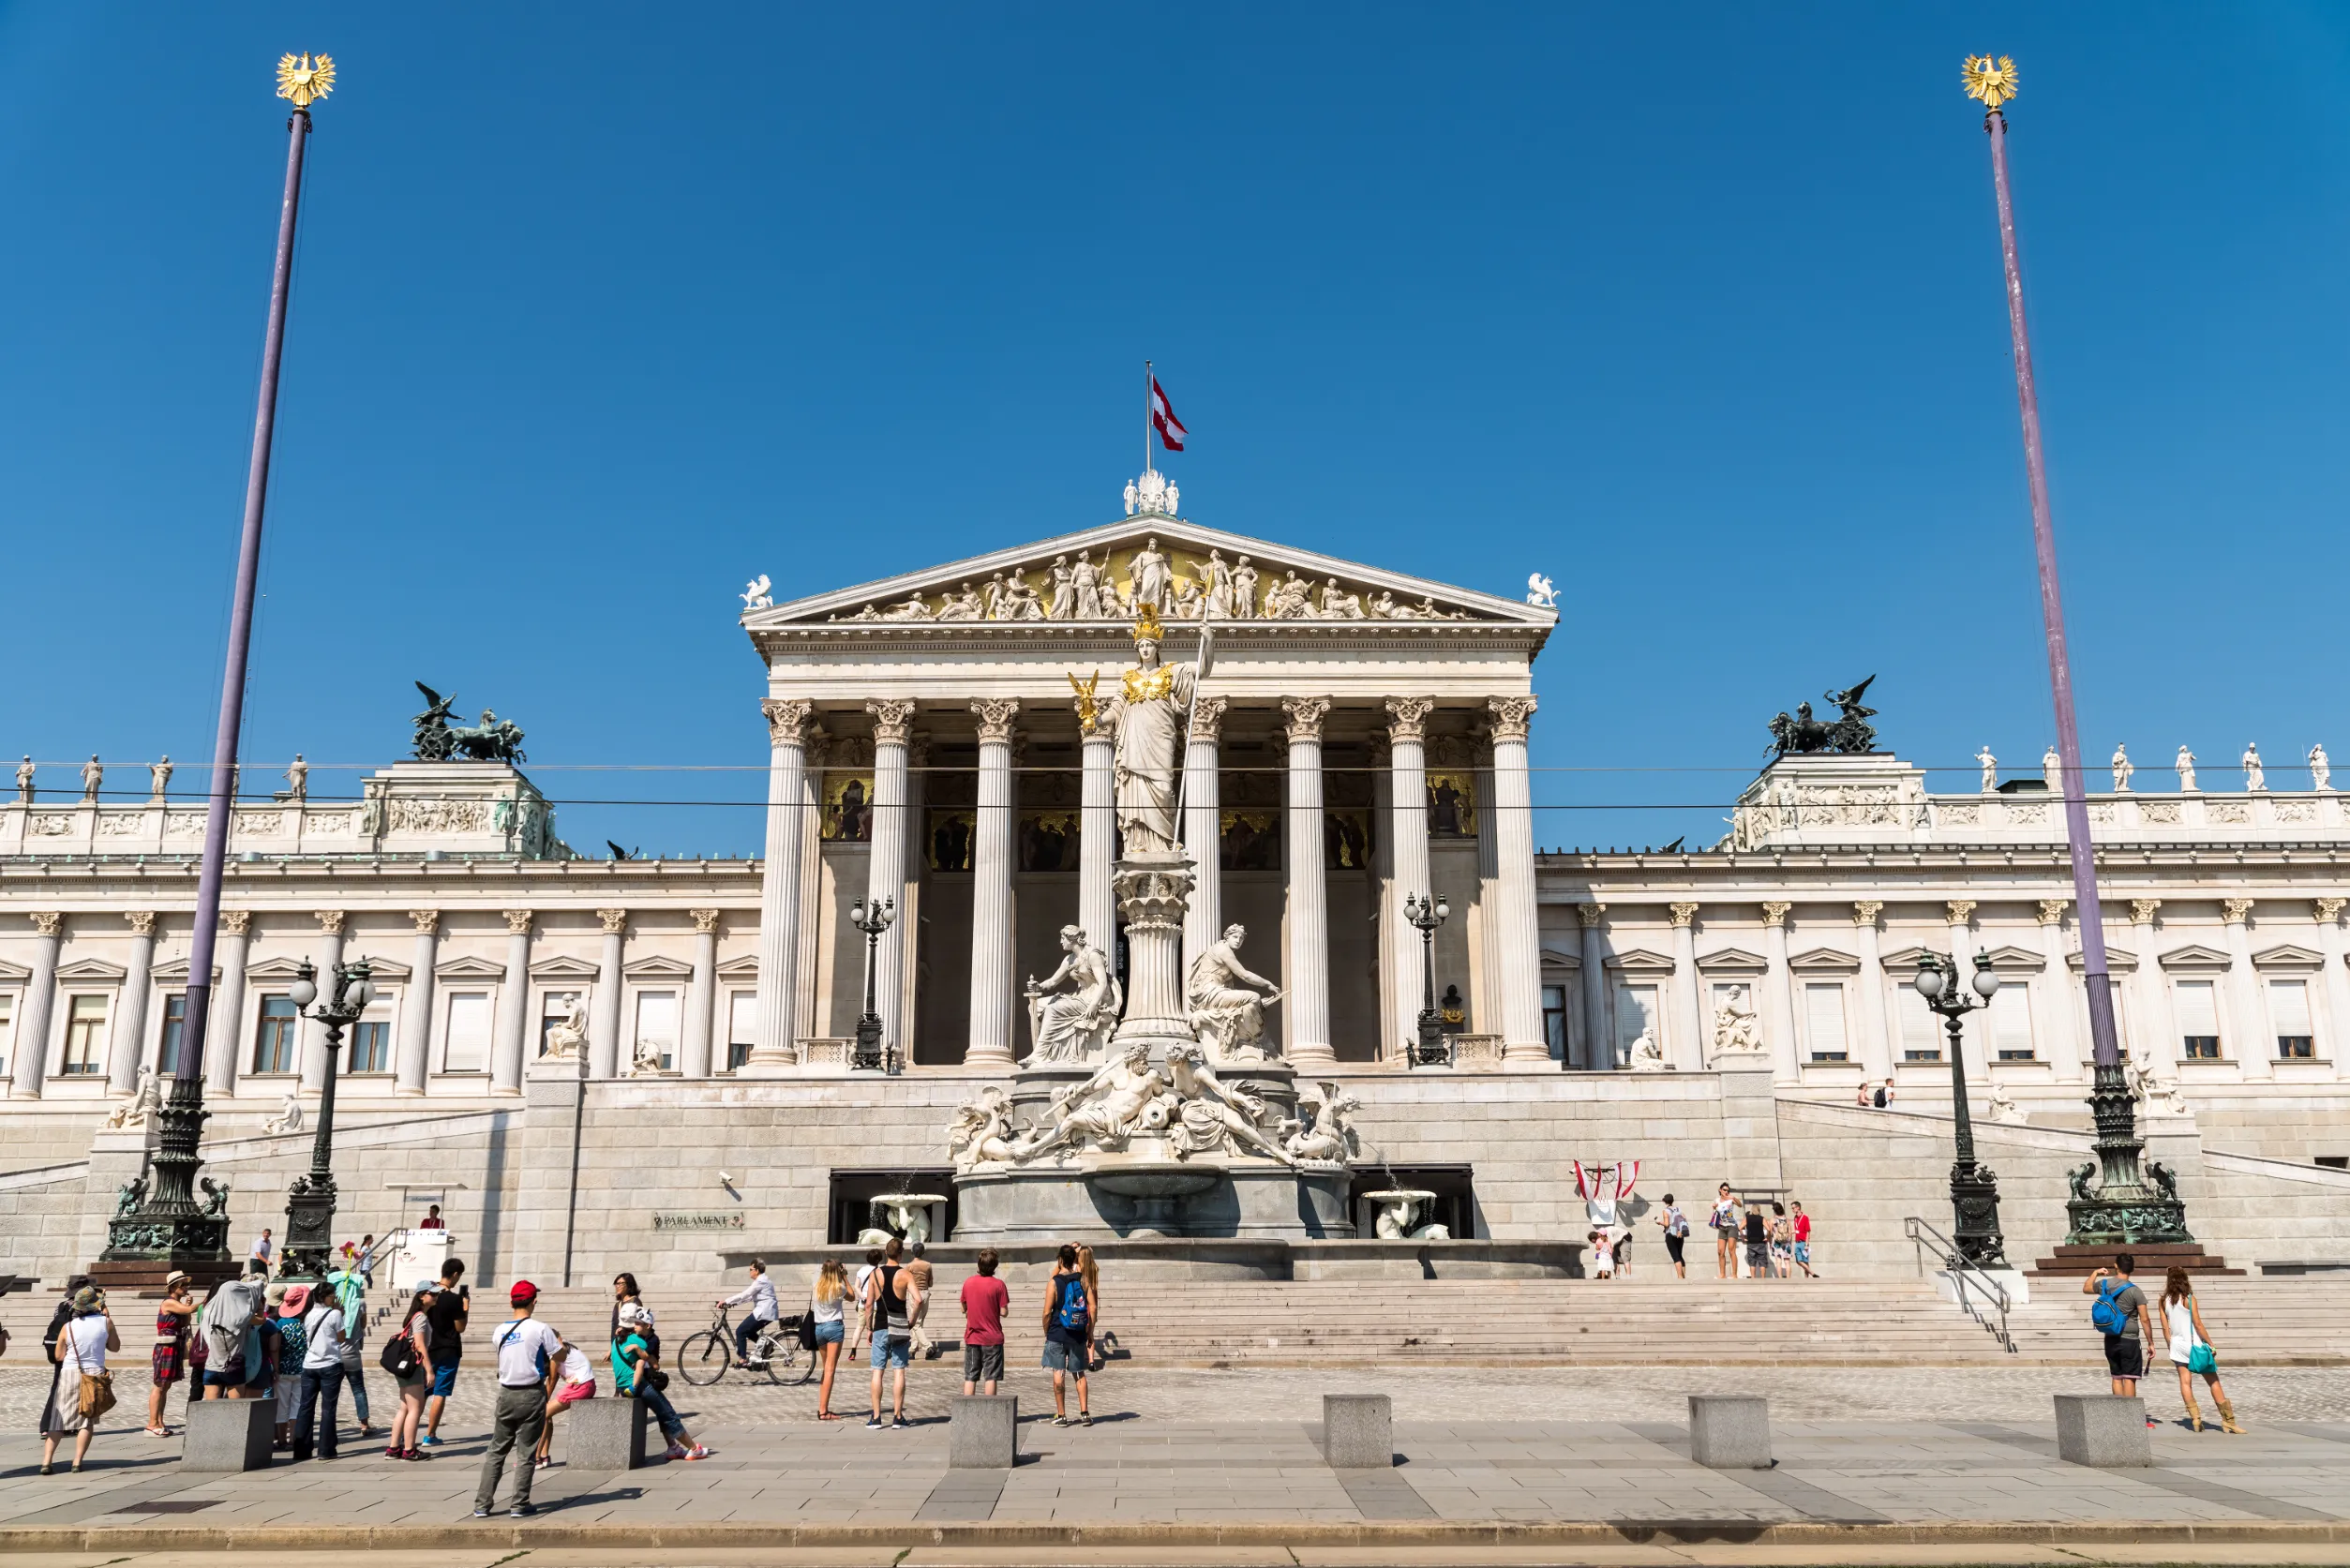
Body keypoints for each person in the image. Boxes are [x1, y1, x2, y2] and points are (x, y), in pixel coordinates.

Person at [471, 1281, 563, 1518]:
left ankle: (482, 1504)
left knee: (496, 1451)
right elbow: (559, 1354)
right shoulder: (541, 1328)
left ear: (511, 1301)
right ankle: (519, 1504)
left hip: (506, 1394)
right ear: (534, 1301)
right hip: (531, 1393)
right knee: (526, 1452)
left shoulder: (499, 1330)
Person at [612, 1301, 709, 1461]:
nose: (637, 1325)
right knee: (668, 1414)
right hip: (641, 1386)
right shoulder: (639, 1342)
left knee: (661, 1412)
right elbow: (654, 1364)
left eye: (639, 1323)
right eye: (635, 1322)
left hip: (623, 1386)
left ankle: (673, 1447)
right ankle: (693, 1449)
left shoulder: (616, 1341)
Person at [39, 1285, 118, 1475]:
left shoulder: (68, 1327)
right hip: (93, 1374)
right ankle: (76, 1462)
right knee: (86, 1421)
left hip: (69, 1372)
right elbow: (115, 1347)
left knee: (58, 1421)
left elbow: (59, 1356)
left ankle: (47, 1461)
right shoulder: (105, 1322)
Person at [2160, 1265, 2242, 1434]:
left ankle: (2196, 1419)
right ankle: (2229, 1421)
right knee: (2213, 1380)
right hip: (2194, 1346)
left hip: (2177, 1345)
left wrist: (2171, 1344)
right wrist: (2210, 1343)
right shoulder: (2189, 1299)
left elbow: (2165, 1328)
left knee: (2185, 1381)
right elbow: (2197, 1324)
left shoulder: (2163, 1301)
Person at [2083, 1253, 2162, 1414]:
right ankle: (2131, 1416)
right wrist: (2151, 1343)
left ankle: (2119, 1415)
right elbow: (2145, 1319)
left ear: (2116, 1266)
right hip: (2130, 1338)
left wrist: (2095, 1273)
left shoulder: (2105, 1284)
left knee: (2116, 1377)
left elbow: (2086, 1289)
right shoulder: (2135, 1291)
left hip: (2110, 1337)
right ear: (2132, 1269)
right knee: (2129, 1378)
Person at [861, 1237, 918, 1429]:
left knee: (877, 1371)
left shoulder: (875, 1274)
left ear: (886, 1253)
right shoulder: (905, 1274)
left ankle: (876, 1418)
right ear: (901, 1254)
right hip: (900, 1325)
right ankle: (897, 1417)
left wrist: (869, 1328)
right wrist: (912, 1321)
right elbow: (918, 1300)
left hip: (880, 1326)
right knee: (899, 1370)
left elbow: (868, 1304)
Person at [291, 1282, 347, 1462]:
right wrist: (341, 1313)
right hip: (330, 1363)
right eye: (332, 1295)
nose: (335, 1298)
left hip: (310, 1365)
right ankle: (326, 1449)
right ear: (325, 1297)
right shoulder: (335, 1313)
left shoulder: (308, 1315)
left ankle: (301, 1450)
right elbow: (341, 1337)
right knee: (328, 1408)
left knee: (305, 1407)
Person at [1042, 1243, 1095, 1426]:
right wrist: (1090, 1331)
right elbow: (1093, 1307)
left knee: (1059, 1372)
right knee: (1079, 1372)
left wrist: (1046, 1330)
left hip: (1057, 1332)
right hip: (1078, 1333)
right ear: (1074, 1260)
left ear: (1059, 1260)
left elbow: (1047, 1312)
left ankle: (1062, 1415)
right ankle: (1085, 1413)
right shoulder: (1083, 1280)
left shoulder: (1054, 1282)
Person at [323, 1256, 375, 1439]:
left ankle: (329, 1423)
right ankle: (364, 1424)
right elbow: (363, 1325)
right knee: (358, 1389)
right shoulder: (359, 1304)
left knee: (332, 1393)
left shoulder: (328, 1308)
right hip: (352, 1354)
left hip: (333, 1356)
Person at [385, 1285, 438, 1460]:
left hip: (404, 1366)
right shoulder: (421, 1317)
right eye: (433, 1293)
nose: (436, 1296)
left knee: (404, 1407)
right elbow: (420, 1344)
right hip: (413, 1366)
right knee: (415, 1408)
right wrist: (429, 1370)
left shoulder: (415, 1316)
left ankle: (394, 1448)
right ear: (422, 1296)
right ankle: (409, 1449)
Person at [420, 1259, 469, 1446]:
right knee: (440, 1392)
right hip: (448, 1350)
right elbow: (460, 1327)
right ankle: (430, 1435)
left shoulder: (428, 1295)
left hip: (428, 1349)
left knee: (422, 1393)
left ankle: (406, 1432)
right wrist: (466, 1309)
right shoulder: (454, 1299)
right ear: (455, 1274)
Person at [534, 1330, 596, 1469]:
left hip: (580, 1386)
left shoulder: (556, 1355)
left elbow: (552, 1378)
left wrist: (544, 1399)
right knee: (547, 1414)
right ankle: (544, 1456)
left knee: (542, 1414)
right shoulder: (567, 1349)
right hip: (586, 1385)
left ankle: (535, 1458)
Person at [145, 1272, 198, 1437]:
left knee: (165, 1386)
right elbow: (188, 1310)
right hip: (165, 1346)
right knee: (159, 1384)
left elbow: (186, 1320)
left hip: (174, 1346)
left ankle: (160, 1421)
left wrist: (189, 1306)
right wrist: (205, 1301)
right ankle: (152, 1423)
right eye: (183, 1285)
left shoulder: (176, 1303)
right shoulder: (168, 1302)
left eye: (186, 1285)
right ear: (174, 1287)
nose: (186, 1288)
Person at [196, 1276, 262, 1401]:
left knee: (211, 1410)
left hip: (212, 1366)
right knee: (235, 1411)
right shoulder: (243, 1316)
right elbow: (261, 1320)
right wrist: (259, 1307)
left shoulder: (208, 1311)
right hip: (233, 1367)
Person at [961, 1249, 1010, 1396]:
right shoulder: (999, 1285)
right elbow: (1003, 1312)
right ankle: (990, 1412)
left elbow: (963, 1307)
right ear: (995, 1266)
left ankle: (967, 1411)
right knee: (991, 1376)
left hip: (972, 1336)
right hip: (992, 1337)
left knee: (970, 1376)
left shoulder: (969, 1282)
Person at [716, 1259, 780, 1369]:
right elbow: (749, 1297)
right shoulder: (762, 1280)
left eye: (751, 1269)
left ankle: (743, 1360)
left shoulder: (761, 1281)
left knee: (740, 1331)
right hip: (766, 1311)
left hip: (764, 1312)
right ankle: (767, 1348)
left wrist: (727, 1301)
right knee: (748, 1331)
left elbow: (745, 1294)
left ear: (757, 1270)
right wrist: (733, 1303)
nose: (749, 1271)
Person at [809, 1260, 848, 1420]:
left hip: (819, 1329)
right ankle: (824, 1411)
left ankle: (822, 1407)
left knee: (826, 1369)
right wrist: (844, 1276)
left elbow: (818, 1270)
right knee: (830, 1369)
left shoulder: (817, 1286)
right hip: (834, 1327)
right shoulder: (839, 1288)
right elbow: (852, 1296)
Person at [904, 1242, 937, 1360]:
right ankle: (912, 1348)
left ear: (912, 1252)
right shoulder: (928, 1265)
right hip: (925, 1293)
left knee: (915, 1323)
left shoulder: (909, 1266)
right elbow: (931, 1283)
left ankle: (928, 1347)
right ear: (923, 1252)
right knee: (919, 1322)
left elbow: (905, 1281)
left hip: (914, 1294)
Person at [1655, 1194, 1689, 1279]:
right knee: (1680, 1255)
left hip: (1670, 1234)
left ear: (1664, 1201)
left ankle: (1680, 1277)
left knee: (1675, 1256)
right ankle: (1683, 1277)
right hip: (1680, 1234)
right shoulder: (1679, 1210)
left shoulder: (1665, 1211)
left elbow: (1666, 1224)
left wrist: (1659, 1222)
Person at [1709, 1185, 1738, 1278]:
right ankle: (1722, 1274)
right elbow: (1717, 1213)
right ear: (1720, 1190)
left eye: (1728, 1191)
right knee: (1720, 1251)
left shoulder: (1730, 1199)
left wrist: (1733, 1197)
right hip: (1722, 1227)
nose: (1726, 1192)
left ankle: (1734, 1274)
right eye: (1724, 1190)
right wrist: (1714, 1207)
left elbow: (1740, 1205)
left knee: (1731, 1249)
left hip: (1732, 1226)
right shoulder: (1717, 1200)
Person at [1741, 1197, 1770, 1282]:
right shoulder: (1762, 1218)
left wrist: (1743, 1238)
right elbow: (1768, 1229)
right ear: (1759, 1209)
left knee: (1752, 1262)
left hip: (1751, 1243)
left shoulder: (1747, 1218)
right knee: (1762, 1261)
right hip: (1760, 1242)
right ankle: (1763, 1279)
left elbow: (1740, 1228)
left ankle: (1753, 1279)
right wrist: (1767, 1237)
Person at [1789, 1201, 1817, 1278]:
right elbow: (1798, 1230)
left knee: (1805, 1261)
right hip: (1797, 1242)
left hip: (1804, 1242)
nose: (1792, 1210)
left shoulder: (1805, 1218)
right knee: (1798, 1261)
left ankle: (1806, 1278)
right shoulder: (1795, 1218)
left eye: (1793, 1208)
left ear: (1798, 1208)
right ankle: (1812, 1273)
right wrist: (1793, 1232)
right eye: (1792, 1208)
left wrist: (1807, 1244)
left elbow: (1808, 1231)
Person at [1768, 1203, 1794, 1280]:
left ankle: (1780, 1279)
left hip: (1777, 1243)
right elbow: (1790, 1233)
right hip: (1786, 1243)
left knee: (1778, 1262)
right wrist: (1790, 1243)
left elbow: (1770, 1232)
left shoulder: (1772, 1220)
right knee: (1787, 1262)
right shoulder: (1787, 1220)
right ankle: (1788, 1279)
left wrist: (1770, 1242)